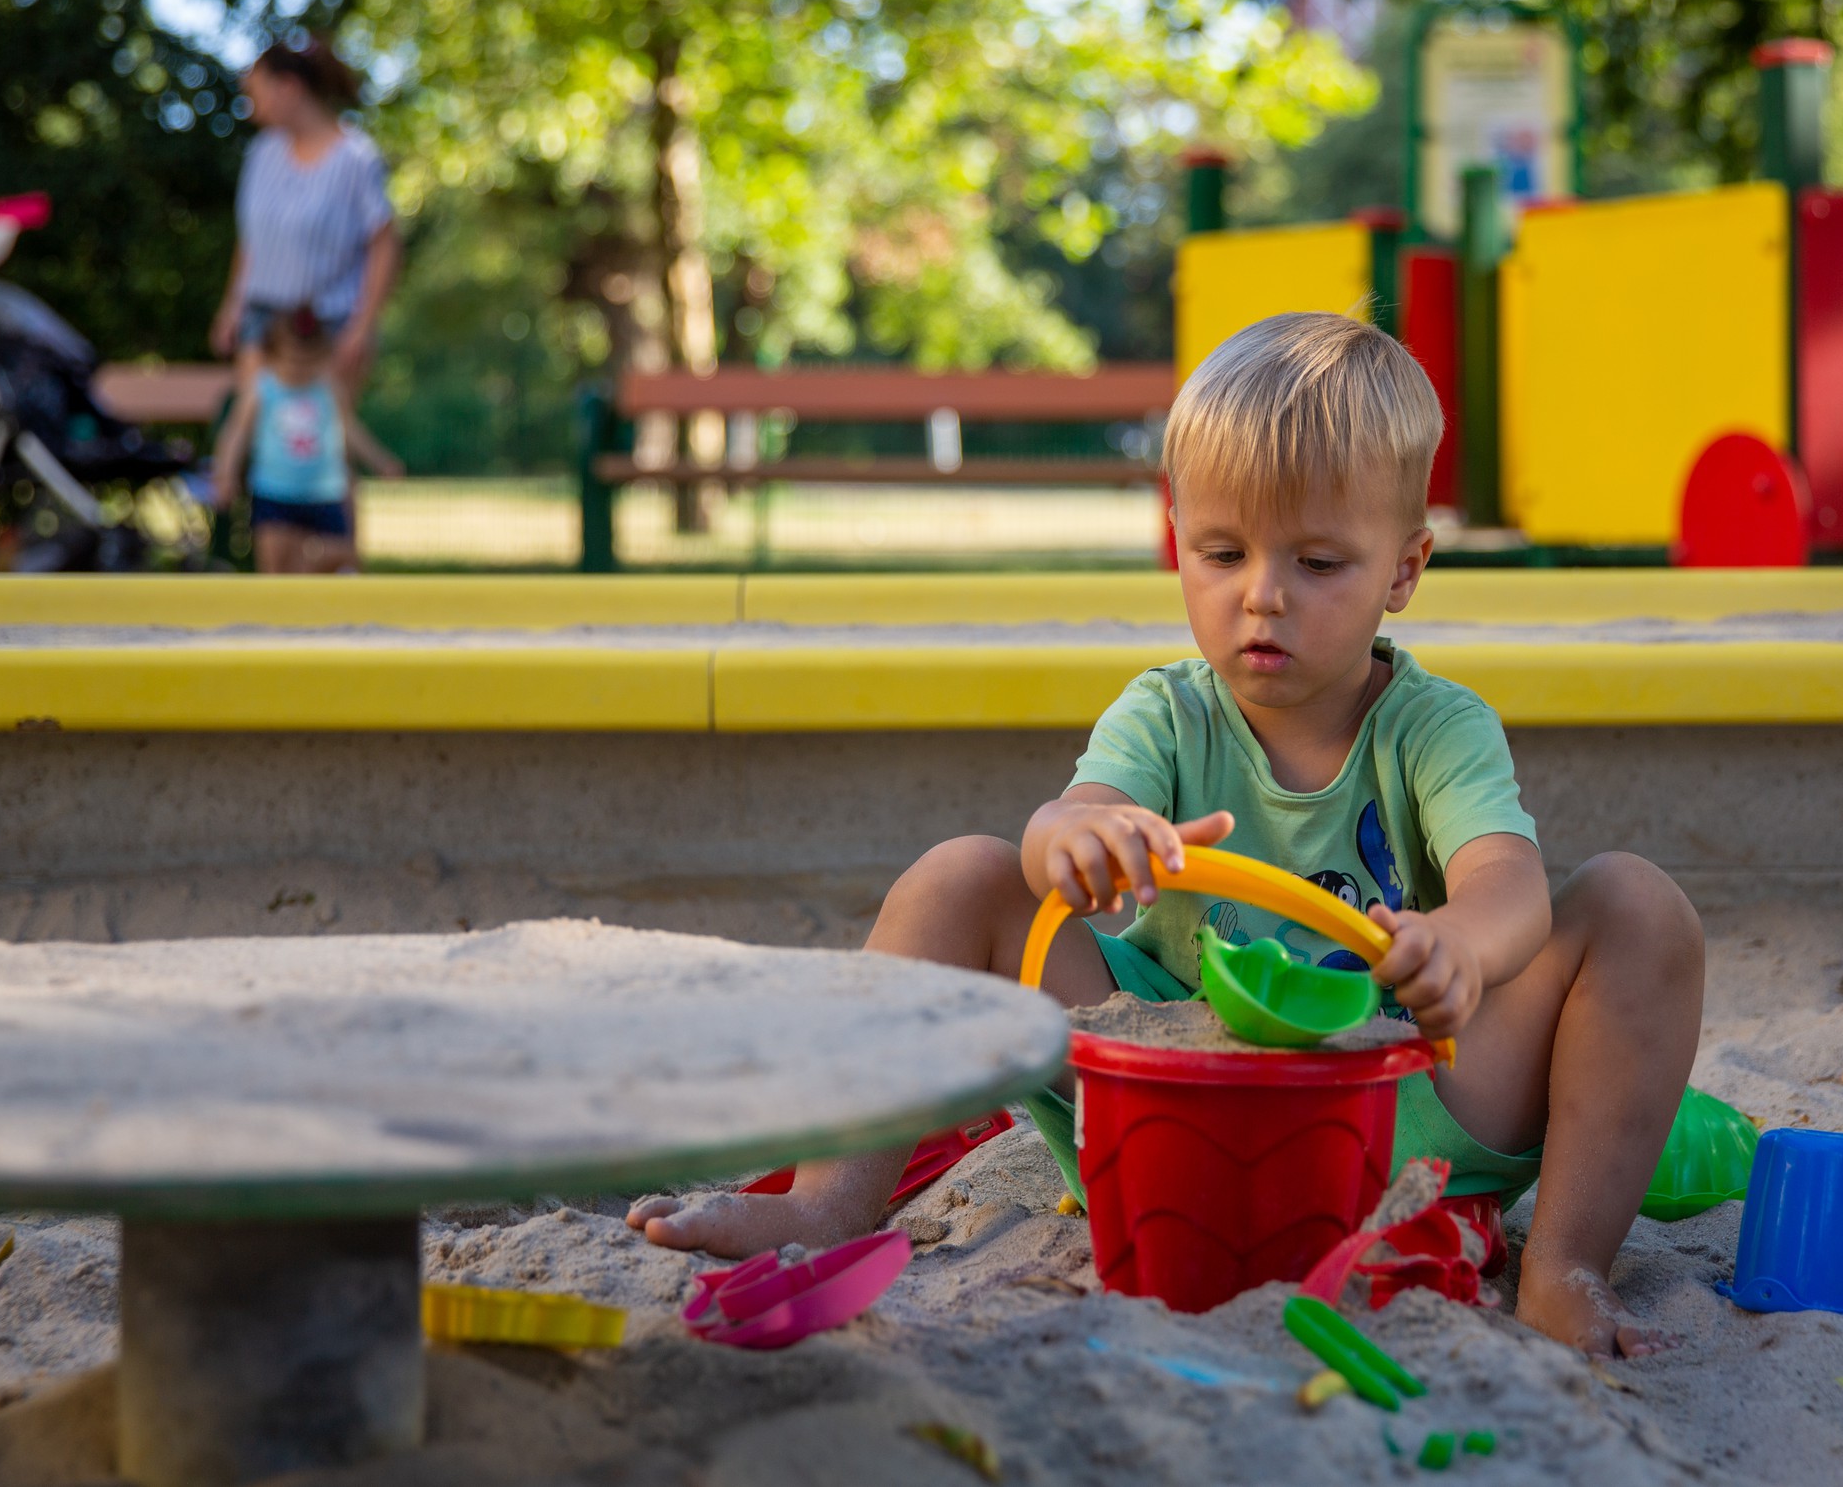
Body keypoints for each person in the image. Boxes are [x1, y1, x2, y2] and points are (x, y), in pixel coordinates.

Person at [628, 312, 1707, 1359]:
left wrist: (1460, 945)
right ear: (1176, 544)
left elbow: (1506, 879)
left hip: (1399, 1102)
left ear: (1403, 571)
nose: (1261, 598)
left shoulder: (1431, 726)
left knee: (1635, 905)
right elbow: (1070, 824)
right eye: (1222, 552)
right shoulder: (1166, 711)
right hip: (1166, 1095)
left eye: (1318, 564)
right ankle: (830, 1200)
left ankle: (1563, 1265)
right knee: (960, 875)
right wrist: (1086, 844)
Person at [208, 38, 399, 390]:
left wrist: (363, 325)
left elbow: (384, 245)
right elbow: (253, 240)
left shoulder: (356, 159)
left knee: (318, 437)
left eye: (256, 94)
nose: (251, 109)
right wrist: (232, 306)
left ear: (289, 88)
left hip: (329, 328)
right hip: (263, 325)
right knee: (260, 431)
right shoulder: (261, 154)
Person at [211, 306, 403, 573]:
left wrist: (381, 462)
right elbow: (237, 433)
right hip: (274, 492)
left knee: (340, 558)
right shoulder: (262, 388)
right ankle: (281, 612)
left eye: (307, 364)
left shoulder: (327, 388)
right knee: (276, 569)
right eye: (292, 363)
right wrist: (225, 473)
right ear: (271, 356)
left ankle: (317, 595)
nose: (299, 371)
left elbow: (349, 429)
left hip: (324, 493)